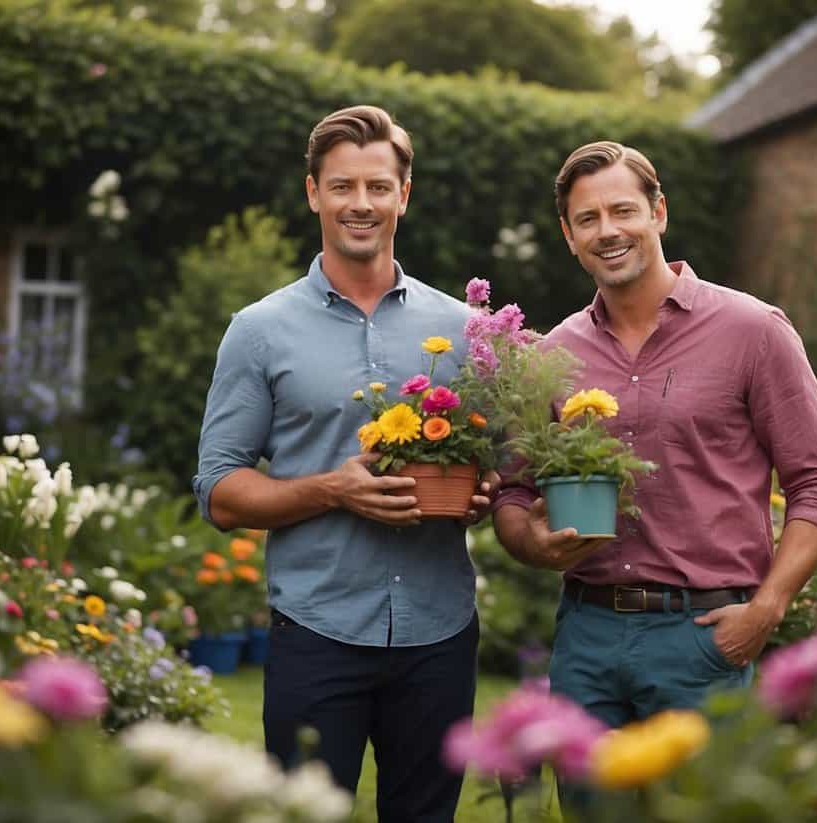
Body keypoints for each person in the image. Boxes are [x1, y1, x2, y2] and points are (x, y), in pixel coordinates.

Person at [194, 105, 493, 822]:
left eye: (378, 187)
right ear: (313, 193)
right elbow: (221, 491)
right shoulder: (259, 331)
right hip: (316, 631)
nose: (361, 204)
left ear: (404, 195)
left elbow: (499, 460)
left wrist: (483, 489)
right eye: (343, 186)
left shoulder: (464, 329)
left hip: (439, 632)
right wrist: (333, 488)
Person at [492, 141, 817, 729]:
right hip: (587, 637)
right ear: (569, 234)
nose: (608, 231)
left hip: (704, 640)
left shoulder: (753, 331)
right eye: (589, 219)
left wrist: (767, 608)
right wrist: (531, 543)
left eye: (623, 211)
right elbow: (511, 489)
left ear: (658, 212)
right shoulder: (551, 355)